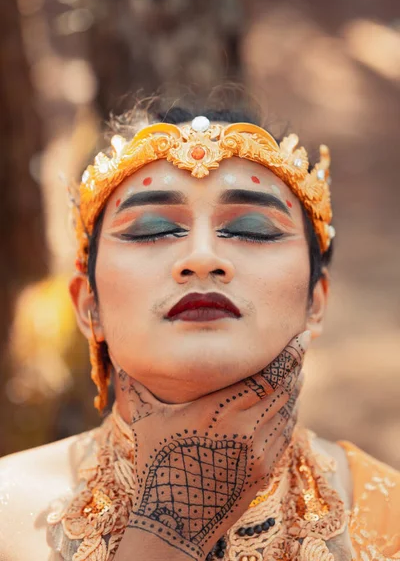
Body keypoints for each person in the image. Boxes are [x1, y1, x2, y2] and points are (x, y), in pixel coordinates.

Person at [0, 100, 399, 561]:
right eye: (152, 230)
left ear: (316, 302)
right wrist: (169, 534)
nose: (203, 257)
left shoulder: (386, 517)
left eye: (254, 229)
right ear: (89, 307)